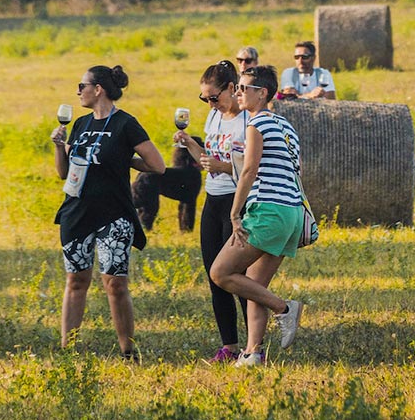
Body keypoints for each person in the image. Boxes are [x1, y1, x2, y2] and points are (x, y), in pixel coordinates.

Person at [50, 64, 166, 359]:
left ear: (97, 89)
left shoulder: (126, 124)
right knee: (76, 280)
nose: (78, 91)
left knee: (115, 282)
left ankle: (128, 350)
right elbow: (64, 172)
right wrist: (58, 146)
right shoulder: (81, 124)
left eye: (82, 86)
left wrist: (126, 161)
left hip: (114, 213)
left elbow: (157, 165)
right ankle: (68, 349)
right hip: (76, 212)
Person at [208, 65, 305, 365]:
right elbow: (298, 171)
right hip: (291, 214)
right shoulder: (286, 127)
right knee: (254, 285)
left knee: (221, 273)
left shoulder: (257, 123)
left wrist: (236, 213)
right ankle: (252, 353)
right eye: (237, 88)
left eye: (243, 88)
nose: (238, 93)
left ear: (262, 93)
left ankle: (285, 308)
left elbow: (248, 170)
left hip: (268, 211)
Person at [174, 59, 251, 363]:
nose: (210, 104)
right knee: (214, 275)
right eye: (203, 99)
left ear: (232, 88)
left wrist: (222, 167)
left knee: (238, 275)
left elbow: (250, 169)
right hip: (213, 199)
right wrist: (189, 146)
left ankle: (252, 344)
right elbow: (208, 158)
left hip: (237, 201)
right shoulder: (213, 119)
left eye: (214, 98)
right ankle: (229, 346)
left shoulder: (248, 121)